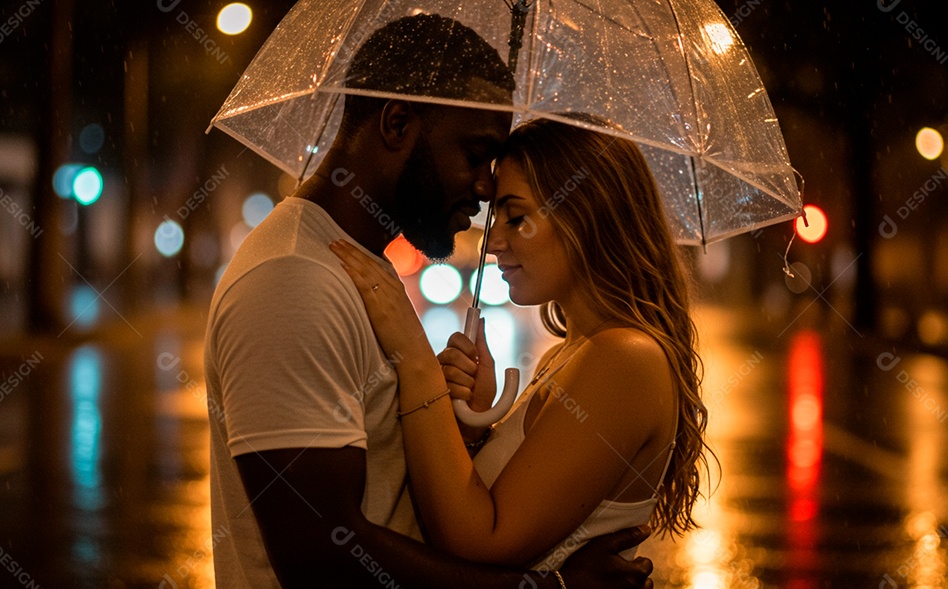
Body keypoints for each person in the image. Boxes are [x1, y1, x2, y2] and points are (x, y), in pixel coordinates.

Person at [205, 14, 656, 589]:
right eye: (476, 154)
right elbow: (322, 555)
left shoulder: (357, 272)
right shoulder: (293, 280)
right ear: (397, 123)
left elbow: (387, 503)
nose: (487, 188)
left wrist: (457, 431)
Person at [332, 117, 714, 573]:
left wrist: (416, 362)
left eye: (516, 217)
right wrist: (470, 434)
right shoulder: (572, 353)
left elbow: (480, 542)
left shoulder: (624, 359)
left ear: (587, 213)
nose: (492, 242)